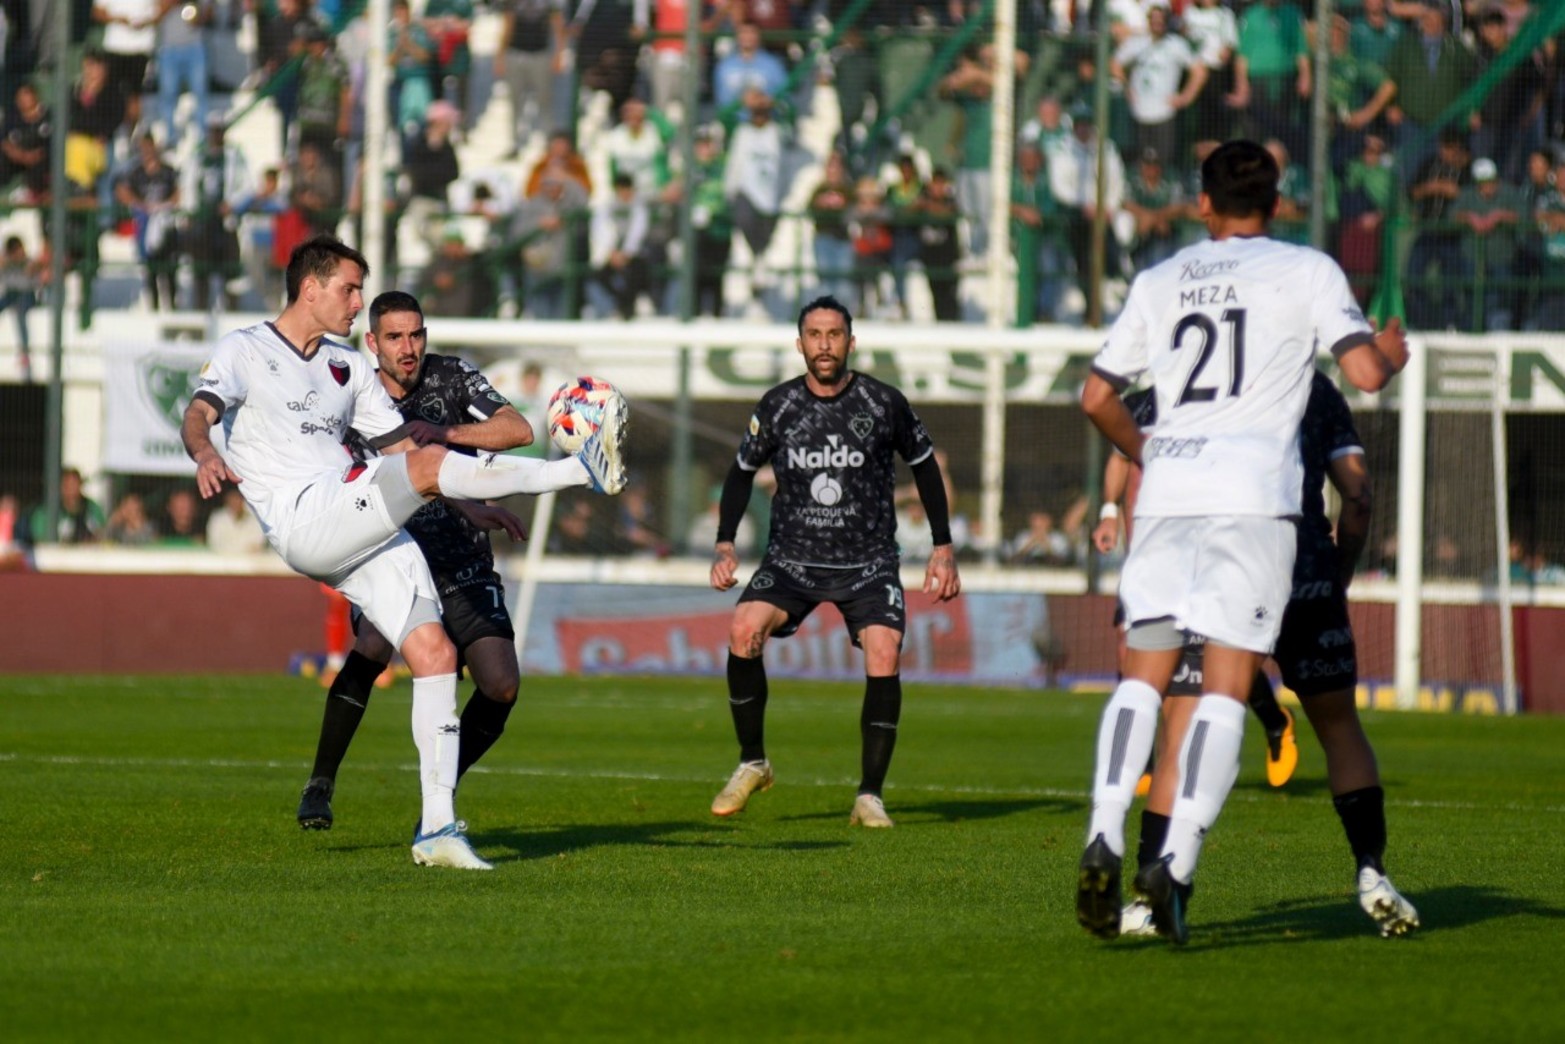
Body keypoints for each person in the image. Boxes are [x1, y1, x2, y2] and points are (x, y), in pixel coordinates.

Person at [181, 235, 627, 870]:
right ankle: (580, 471)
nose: (357, 301)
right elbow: (198, 413)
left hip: (357, 524)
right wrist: (204, 451)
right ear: (310, 288)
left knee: (435, 654)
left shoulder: (347, 366)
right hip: (306, 519)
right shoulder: (245, 350)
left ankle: (438, 830)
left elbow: (400, 456)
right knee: (430, 471)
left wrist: (471, 506)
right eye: (349, 289)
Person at [1074, 140, 1409, 945]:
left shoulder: (1158, 281)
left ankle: (1103, 832)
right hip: (1253, 505)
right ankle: (1175, 860)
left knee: (1145, 681)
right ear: (1278, 200)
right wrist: (1389, 355)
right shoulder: (1305, 270)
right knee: (1226, 688)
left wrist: (1151, 453)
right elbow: (1361, 374)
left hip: (1168, 502)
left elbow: (1095, 397)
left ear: (1201, 203)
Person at [1113, 371, 1421, 940]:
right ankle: (1372, 873)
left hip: (1220, 567)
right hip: (1303, 566)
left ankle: (1150, 896)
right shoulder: (1313, 385)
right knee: (1339, 726)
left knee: (1182, 730)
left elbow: (1119, 424)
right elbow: (1357, 495)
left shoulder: (1193, 370)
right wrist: (1338, 574)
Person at [297, 289, 592, 830]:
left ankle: (439, 797)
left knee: (502, 684)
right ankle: (321, 781)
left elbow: (519, 430)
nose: (408, 348)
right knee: (371, 644)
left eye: (416, 334)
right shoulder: (352, 392)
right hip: (391, 551)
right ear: (373, 343)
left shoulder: (451, 377)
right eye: (394, 337)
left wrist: (446, 435)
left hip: (461, 555)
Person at [707, 295, 962, 828]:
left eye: (834, 334)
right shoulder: (777, 405)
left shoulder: (882, 402)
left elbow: (925, 468)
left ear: (851, 341)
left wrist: (942, 546)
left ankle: (869, 796)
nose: (825, 345)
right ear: (800, 344)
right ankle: (753, 761)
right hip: (792, 560)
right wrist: (726, 542)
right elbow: (739, 473)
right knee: (742, 628)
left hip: (867, 563)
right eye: (815, 335)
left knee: (885, 651)